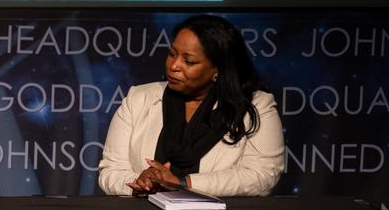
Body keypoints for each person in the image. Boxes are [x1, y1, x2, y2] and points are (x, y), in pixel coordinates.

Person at [98, 14, 284, 197]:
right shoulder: (138, 99)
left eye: (189, 61)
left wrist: (181, 183)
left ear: (217, 69)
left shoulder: (257, 106)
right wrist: (141, 183)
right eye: (172, 54)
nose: (174, 65)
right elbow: (110, 171)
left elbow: (262, 176)